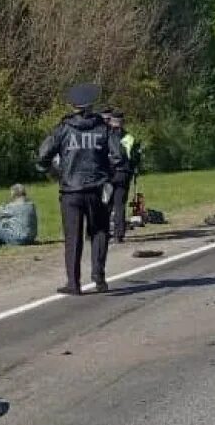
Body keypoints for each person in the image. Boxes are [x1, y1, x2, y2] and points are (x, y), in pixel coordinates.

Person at [36, 83, 124, 295]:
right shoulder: (104, 128)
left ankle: (73, 283)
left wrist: (53, 172)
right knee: (100, 231)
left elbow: (43, 155)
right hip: (98, 189)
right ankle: (99, 279)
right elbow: (118, 156)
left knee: (73, 237)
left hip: (70, 191)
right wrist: (108, 176)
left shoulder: (63, 129)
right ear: (91, 105)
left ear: (73, 105)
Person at [105, 111, 137, 242]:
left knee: (106, 204)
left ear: (112, 122)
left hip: (109, 173)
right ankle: (119, 234)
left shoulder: (105, 136)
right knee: (120, 204)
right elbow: (134, 157)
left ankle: (104, 232)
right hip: (124, 173)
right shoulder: (129, 137)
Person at [0, 183, 38, 251]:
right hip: (31, 239)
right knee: (5, 222)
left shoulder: (10, 207)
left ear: (13, 193)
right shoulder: (31, 205)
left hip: (19, 240)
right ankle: (0, 246)